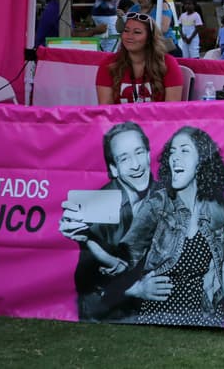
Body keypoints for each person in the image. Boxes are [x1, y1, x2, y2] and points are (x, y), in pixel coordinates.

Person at [113, 127, 224, 328]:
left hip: (207, 316)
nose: (175, 157)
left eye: (184, 150)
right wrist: (135, 289)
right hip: (162, 317)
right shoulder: (157, 205)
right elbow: (121, 260)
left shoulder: (214, 210)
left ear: (201, 160)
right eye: (172, 151)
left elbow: (220, 267)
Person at [59, 122, 161, 322]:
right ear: (114, 169)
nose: (136, 164)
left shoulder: (166, 198)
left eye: (139, 153)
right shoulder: (100, 203)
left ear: (149, 155)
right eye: (124, 158)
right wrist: (136, 289)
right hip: (103, 311)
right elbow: (91, 278)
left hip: (151, 310)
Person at [96, 12, 184, 104]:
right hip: (121, 118)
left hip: (157, 118)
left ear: (150, 38)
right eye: (126, 30)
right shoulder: (108, 64)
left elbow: (171, 108)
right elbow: (106, 108)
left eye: (137, 32)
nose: (129, 36)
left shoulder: (167, 63)